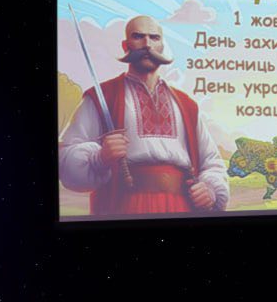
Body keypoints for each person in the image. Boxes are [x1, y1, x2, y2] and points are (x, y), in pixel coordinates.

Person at [60, 15, 229, 215]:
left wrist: (209, 190)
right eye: (138, 36)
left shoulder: (187, 105)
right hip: (123, 206)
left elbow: (211, 162)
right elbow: (65, 158)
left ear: (162, 45)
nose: (147, 44)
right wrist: (100, 157)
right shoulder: (101, 97)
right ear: (126, 45)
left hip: (182, 207)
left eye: (154, 38)